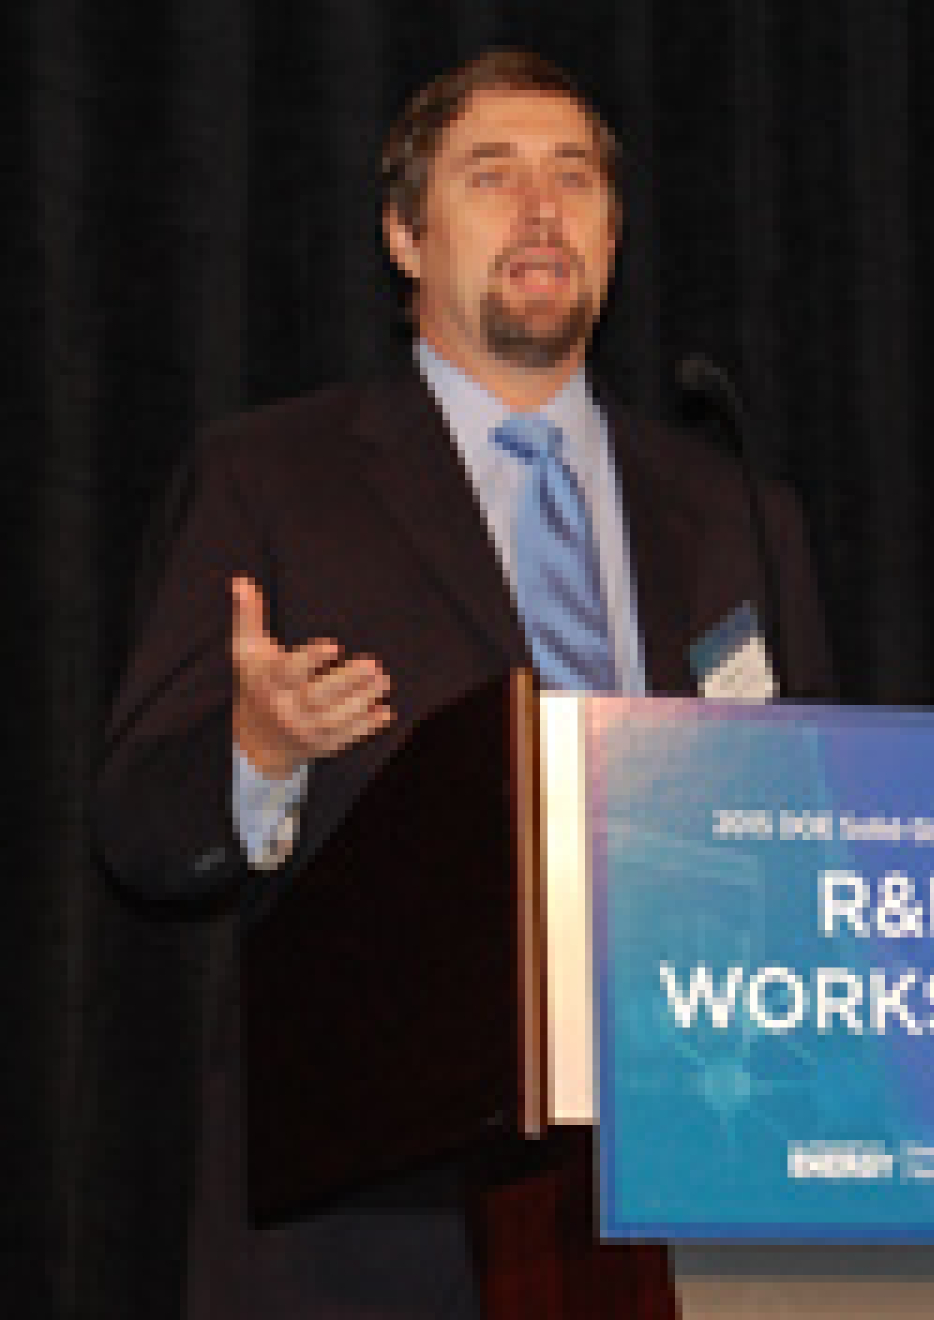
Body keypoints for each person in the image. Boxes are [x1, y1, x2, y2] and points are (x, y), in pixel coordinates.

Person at [94, 49, 833, 1319]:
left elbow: (826, 822)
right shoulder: (276, 477)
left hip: (700, 1167)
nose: (542, 211)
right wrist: (257, 753)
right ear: (403, 233)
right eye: (492, 177)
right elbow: (140, 825)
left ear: (612, 233)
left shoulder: (733, 508)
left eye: (576, 180)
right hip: (380, 1212)